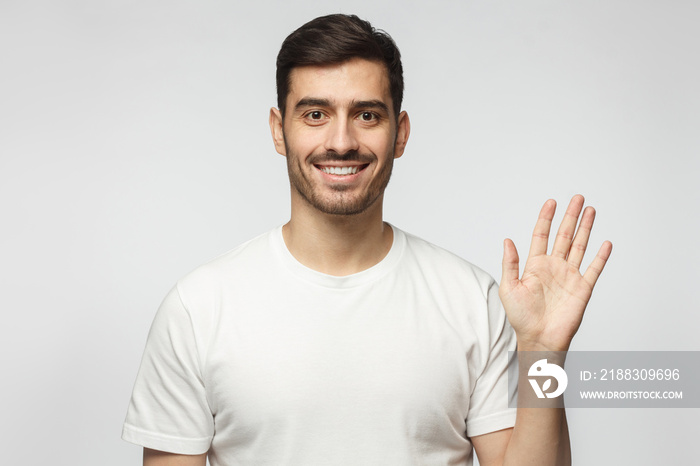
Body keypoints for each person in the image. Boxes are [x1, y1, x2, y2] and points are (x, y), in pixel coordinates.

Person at [122, 13, 612, 466]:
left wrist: (544, 354)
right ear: (279, 130)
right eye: (315, 114)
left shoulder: (472, 300)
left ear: (399, 133)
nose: (341, 141)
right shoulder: (198, 308)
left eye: (367, 115)